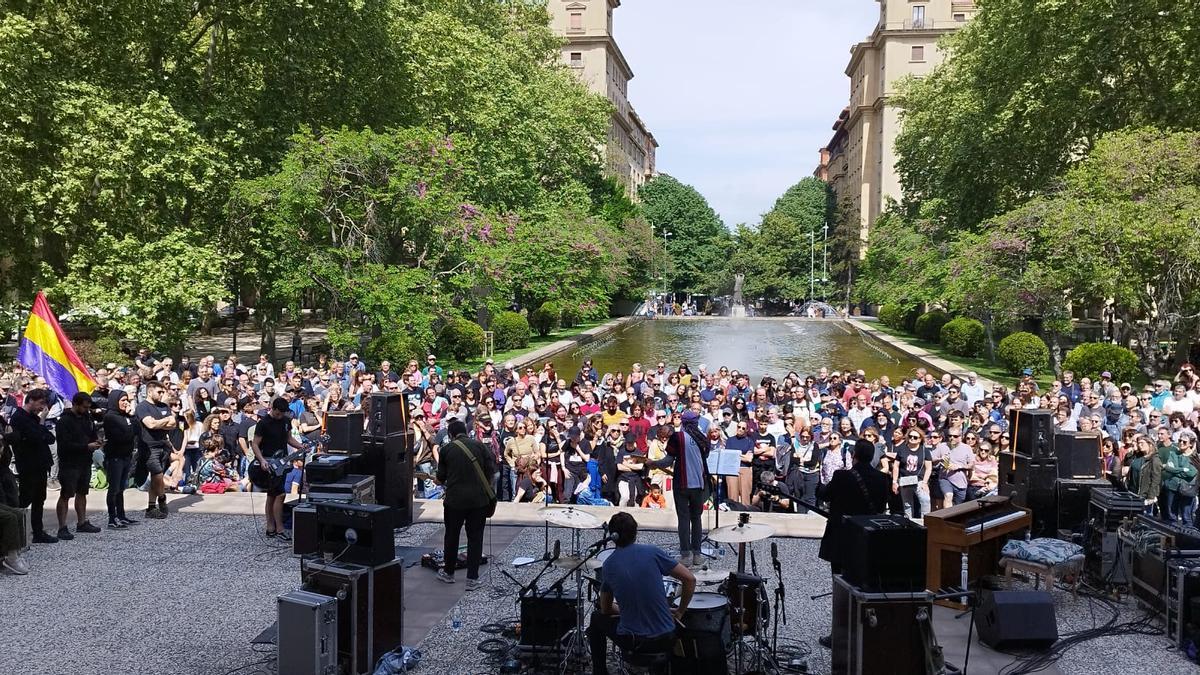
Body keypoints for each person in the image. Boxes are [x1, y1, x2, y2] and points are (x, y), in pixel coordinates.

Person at [817, 439, 904, 649]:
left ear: (854, 455)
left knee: (841, 587)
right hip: (868, 541)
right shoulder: (882, 478)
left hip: (842, 539)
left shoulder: (842, 476)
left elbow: (823, 495)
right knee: (866, 586)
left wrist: (821, 482)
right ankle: (867, 632)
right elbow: (897, 509)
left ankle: (839, 635)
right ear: (873, 457)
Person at [587, 512, 696, 675]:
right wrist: (680, 611)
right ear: (635, 532)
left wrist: (625, 610)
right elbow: (690, 579)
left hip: (634, 641)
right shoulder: (653, 552)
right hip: (666, 637)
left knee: (596, 618)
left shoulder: (609, 565)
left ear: (613, 536)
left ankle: (600, 671)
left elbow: (606, 610)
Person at [435, 418, 496, 590]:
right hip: (478, 501)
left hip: (454, 501)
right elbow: (490, 471)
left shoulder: (446, 449)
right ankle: (472, 579)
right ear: (466, 432)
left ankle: (448, 573)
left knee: (452, 536)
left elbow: (441, 477)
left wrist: (440, 480)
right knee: (475, 538)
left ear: (450, 434)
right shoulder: (480, 446)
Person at [649, 410, 711, 566]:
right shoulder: (702, 438)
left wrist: (653, 463)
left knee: (683, 519)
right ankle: (697, 554)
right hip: (699, 484)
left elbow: (668, 461)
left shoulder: (677, 437)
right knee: (696, 519)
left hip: (682, 484)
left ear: (683, 422)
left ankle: (685, 555)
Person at [250, 397, 307, 539]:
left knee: (273, 494)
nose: (280, 416)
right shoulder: (263, 423)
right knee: (279, 494)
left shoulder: (286, 421)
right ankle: (279, 528)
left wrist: (300, 446)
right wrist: (261, 460)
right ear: (273, 409)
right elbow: (255, 444)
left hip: (282, 461)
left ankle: (271, 527)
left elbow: (289, 438)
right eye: (278, 413)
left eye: (282, 413)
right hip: (269, 461)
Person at [8, 388, 58, 543]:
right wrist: (42, 421)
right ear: (30, 400)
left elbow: (49, 438)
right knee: (25, 500)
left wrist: (40, 426)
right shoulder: (19, 417)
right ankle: (15, 534)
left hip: (40, 464)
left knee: (39, 499)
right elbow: (36, 437)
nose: (42, 408)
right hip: (28, 465)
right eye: (40, 403)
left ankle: (38, 532)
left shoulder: (33, 418)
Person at [53, 392, 103, 539]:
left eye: (88, 407)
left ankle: (82, 522)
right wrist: (86, 446)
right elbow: (64, 445)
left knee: (82, 492)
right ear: (75, 404)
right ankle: (62, 527)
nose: (87, 410)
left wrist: (97, 441)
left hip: (85, 461)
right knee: (66, 494)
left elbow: (92, 434)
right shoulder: (64, 421)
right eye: (84, 407)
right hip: (69, 463)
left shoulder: (87, 418)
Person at [102, 390, 138, 528]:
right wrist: (129, 430)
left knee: (121, 488)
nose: (126, 403)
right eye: (123, 400)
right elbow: (120, 436)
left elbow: (137, 430)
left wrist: (132, 416)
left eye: (127, 400)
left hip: (126, 455)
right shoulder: (110, 417)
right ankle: (112, 518)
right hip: (115, 457)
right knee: (114, 488)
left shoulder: (126, 416)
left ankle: (121, 515)